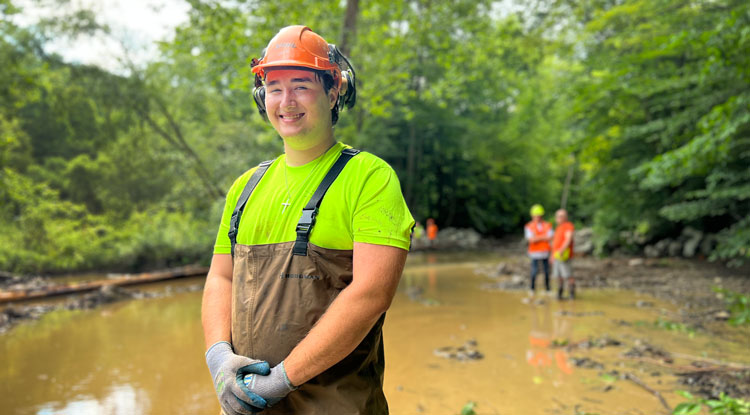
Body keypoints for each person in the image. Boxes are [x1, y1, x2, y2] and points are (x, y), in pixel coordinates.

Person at [201, 26, 414, 415]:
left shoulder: (368, 177)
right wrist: (218, 357)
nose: (286, 101)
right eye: (275, 87)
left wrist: (282, 378)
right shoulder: (245, 187)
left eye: (301, 86)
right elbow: (221, 278)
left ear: (333, 93)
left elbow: (370, 295)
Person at [524, 204, 553, 296]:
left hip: (545, 252)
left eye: (539, 215)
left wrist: (537, 237)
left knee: (546, 271)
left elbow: (550, 237)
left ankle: (548, 289)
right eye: (536, 216)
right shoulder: (529, 226)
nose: (538, 217)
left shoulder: (548, 225)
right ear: (532, 216)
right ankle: (532, 289)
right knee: (534, 271)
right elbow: (530, 239)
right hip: (534, 253)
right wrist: (543, 237)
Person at [552, 209, 575, 300]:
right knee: (558, 275)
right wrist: (552, 255)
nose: (558, 218)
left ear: (565, 217)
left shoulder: (568, 226)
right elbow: (555, 243)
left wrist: (562, 249)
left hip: (564, 255)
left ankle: (571, 294)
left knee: (568, 275)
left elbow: (568, 239)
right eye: (557, 216)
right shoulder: (558, 227)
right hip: (557, 256)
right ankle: (560, 294)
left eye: (561, 216)